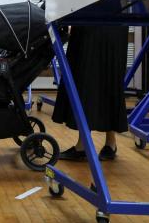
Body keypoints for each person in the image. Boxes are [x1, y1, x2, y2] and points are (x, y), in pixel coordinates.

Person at [52, 25, 129, 161]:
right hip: (89, 20)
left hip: (111, 20)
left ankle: (109, 143)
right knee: (84, 79)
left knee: (108, 76)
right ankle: (83, 145)